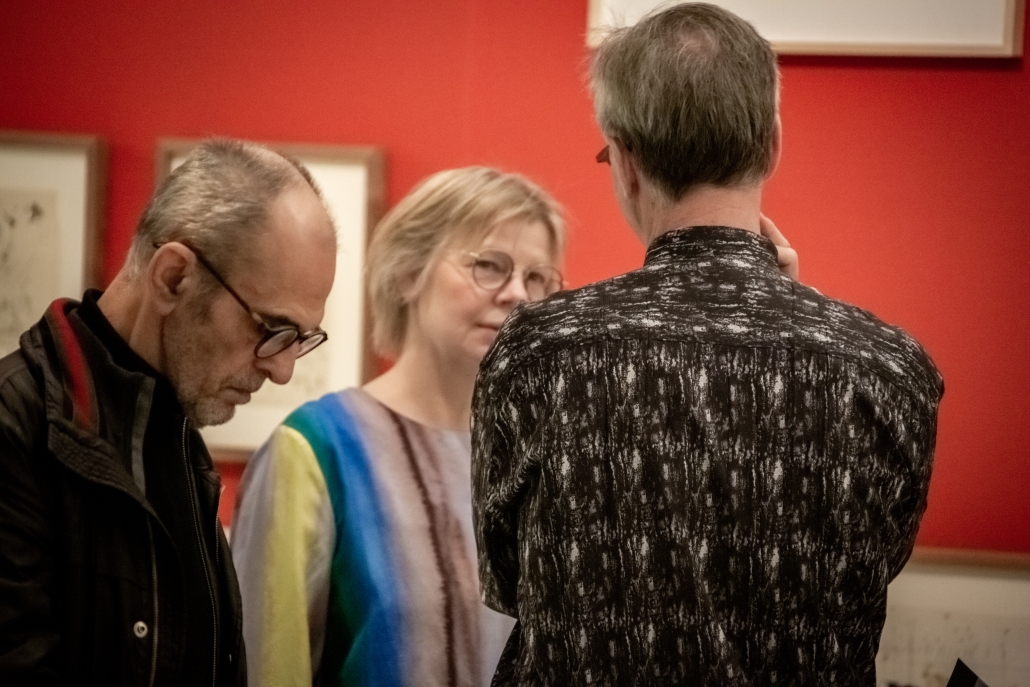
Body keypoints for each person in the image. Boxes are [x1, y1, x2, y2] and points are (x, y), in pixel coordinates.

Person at [471, 4, 944, 685]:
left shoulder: (539, 351)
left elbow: (509, 581)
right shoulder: (890, 368)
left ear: (626, 161)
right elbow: (864, 572)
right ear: (772, 143)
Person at [0, 138, 338, 686]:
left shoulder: (177, 438)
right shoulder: (16, 426)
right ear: (173, 277)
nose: (282, 371)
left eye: (301, 338)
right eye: (273, 329)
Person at [230, 166, 565, 687]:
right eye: (489, 265)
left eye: (538, 277)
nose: (518, 293)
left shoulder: (545, 456)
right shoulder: (318, 449)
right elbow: (264, 668)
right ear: (409, 272)